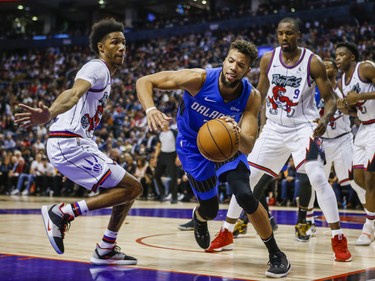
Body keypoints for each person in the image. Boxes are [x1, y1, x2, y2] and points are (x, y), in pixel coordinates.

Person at [136, 39, 290, 278]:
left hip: (227, 146)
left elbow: (249, 144)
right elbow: (145, 81)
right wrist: (150, 109)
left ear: (247, 70)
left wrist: (236, 133)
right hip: (192, 147)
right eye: (231, 61)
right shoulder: (199, 79)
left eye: (240, 65)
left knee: (246, 195)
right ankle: (199, 217)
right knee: (210, 209)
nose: (233, 68)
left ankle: (276, 254)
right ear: (224, 60)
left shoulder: (252, 96)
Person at [14, 18, 143, 265]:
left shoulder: (106, 75)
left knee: (124, 191)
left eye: (124, 42)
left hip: (75, 143)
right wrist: (49, 113)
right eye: (115, 42)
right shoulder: (96, 67)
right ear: (100, 47)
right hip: (69, 142)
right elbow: (73, 94)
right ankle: (62, 212)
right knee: (133, 188)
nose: (122, 47)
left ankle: (106, 247)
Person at [241, 17, 350, 261]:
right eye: (280, 33)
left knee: (318, 177)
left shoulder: (313, 61)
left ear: (298, 34)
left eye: (289, 33)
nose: (284, 38)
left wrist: (323, 120)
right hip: (274, 128)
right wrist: (258, 125)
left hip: (302, 127)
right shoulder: (269, 59)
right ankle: (228, 229)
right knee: (248, 179)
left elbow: (330, 98)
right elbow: (260, 94)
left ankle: (338, 237)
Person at [335, 41, 375, 246]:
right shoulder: (342, 81)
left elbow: (363, 98)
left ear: (352, 56)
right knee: (357, 178)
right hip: (363, 128)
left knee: (370, 180)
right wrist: (344, 109)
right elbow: (355, 112)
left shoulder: (366, 67)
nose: (337, 58)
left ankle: (369, 228)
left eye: (341, 54)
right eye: (336, 55)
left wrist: (361, 95)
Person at [153, 122, 178, 203]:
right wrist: (155, 158)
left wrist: (178, 157)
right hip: (162, 155)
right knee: (157, 175)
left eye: (165, 122)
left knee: (173, 176)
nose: (164, 124)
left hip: (172, 155)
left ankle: (174, 197)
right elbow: (158, 146)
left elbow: (178, 144)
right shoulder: (159, 134)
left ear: (168, 124)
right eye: (162, 122)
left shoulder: (174, 132)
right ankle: (162, 194)